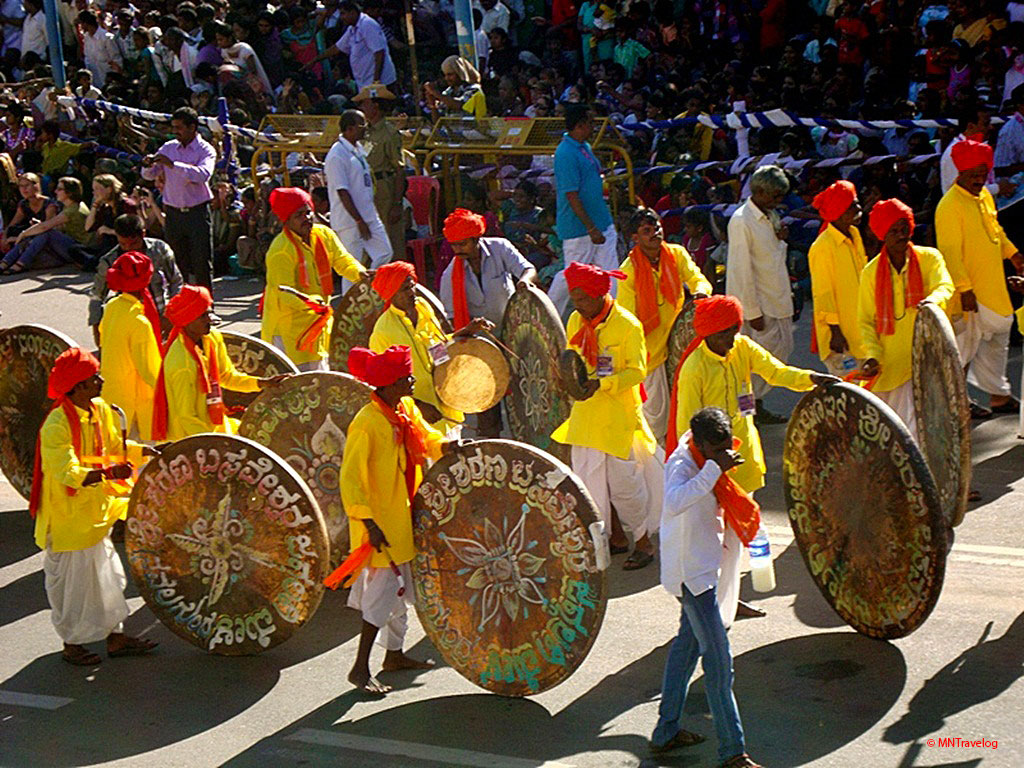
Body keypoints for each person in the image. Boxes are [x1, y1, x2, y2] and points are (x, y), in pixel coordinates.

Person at [667, 296, 835, 622]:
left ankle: (727, 602)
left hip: (745, 462)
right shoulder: (694, 369)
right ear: (708, 334)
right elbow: (688, 429)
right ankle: (713, 608)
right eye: (725, 333)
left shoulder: (742, 349)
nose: (731, 337)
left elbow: (776, 372)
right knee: (718, 546)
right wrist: (710, 469)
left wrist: (811, 380)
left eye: (734, 330)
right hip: (712, 471)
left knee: (736, 542)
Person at [30, 347, 158, 666]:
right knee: (72, 590)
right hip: (68, 522)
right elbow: (64, 470)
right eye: (93, 378)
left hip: (97, 511)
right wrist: (105, 473)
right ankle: (72, 644)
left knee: (110, 580)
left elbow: (115, 448)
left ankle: (115, 638)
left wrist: (147, 451)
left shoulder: (100, 409)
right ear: (77, 387)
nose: (100, 381)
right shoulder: (56, 425)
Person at [651, 406, 762, 768]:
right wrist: (715, 469)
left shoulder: (706, 457)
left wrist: (716, 465)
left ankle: (665, 732)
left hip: (702, 569)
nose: (723, 456)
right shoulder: (681, 465)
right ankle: (733, 752)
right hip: (691, 577)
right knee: (718, 662)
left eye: (725, 449)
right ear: (699, 443)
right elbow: (675, 502)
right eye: (715, 451)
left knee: (685, 649)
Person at [340, 345, 450, 693]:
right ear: (387, 385)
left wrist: (448, 447)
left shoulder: (404, 408)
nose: (412, 379)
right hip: (382, 524)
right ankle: (360, 668)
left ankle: (394, 655)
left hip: (404, 517)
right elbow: (350, 480)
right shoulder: (367, 423)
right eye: (405, 376)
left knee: (403, 592)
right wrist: (369, 523)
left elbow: (428, 440)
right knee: (383, 596)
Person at [551, 262, 663, 571]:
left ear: (601, 294)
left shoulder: (627, 325)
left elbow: (638, 371)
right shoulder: (575, 319)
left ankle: (643, 543)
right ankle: (614, 540)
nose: (578, 306)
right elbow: (573, 360)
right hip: (586, 416)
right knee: (589, 486)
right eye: (574, 300)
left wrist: (605, 382)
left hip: (618, 417)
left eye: (583, 299)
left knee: (625, 486)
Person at [936, 139, 1023, 417]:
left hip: (993, 285)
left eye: (981, 174)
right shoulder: (949, 206)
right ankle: (956, 402)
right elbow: (949, 252)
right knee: (963, 349)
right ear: (959, 173)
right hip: (968, 292)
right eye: (972, 174)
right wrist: (964, 289)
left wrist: (1013, 254)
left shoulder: (984, 195)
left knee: (998, 340)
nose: (977, 179)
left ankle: (999, 396)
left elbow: (995, 231)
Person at [858, 199, 955, 443]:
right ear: (882, 235)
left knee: (917, 430)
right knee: (889, 433)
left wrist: (932, 301)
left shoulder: (929, 258)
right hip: (889, 364)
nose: (902, 235)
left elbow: (945, 285)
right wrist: (872, 355)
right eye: (894, 231)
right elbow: (866, 321)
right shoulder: (870, 273)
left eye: (905, 229)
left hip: (926, 358)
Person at [438, 208, 536, 437]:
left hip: (513, 332)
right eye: (454, 245)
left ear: (476, 239)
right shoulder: (450, 274)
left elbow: (528, 269)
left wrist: (524, 283)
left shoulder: (500, 248)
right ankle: (492, 443)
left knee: (524, 391)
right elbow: (450, 320)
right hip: (480, 344)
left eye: (462, 244)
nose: (457, 250)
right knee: (487, 402)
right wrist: (469, 330)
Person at [618, 208, 711, 442]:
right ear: (635, 238)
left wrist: (700, 292)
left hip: (681, 344)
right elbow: (628, 321)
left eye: (657, 228)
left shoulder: (676, 254)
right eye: (647, 231)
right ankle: (658, 466)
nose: (655, 234)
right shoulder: (628, 272)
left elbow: (697, 279)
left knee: (690, 407)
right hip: (651, 355)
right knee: (656, 420)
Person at [152, 285, 289, 441]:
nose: (210, 320)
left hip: (215, 426)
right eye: (203, 316)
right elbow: (186, 417)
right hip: (189, 438)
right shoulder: (181, 364)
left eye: (209, 313)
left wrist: (262, 383)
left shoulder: (212, 338)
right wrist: (216, 443)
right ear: (188, 321)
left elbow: (227, 377)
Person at [262, 187, 368, 371]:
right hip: (288, 329)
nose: (307, 218)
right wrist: (315, 305)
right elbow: (285, 294)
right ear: (286, 220)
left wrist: (361, 274)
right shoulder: (280, 250)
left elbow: (342, 260)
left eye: (308, 212)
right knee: (297, 385)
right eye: (299, 215)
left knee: (320, 380)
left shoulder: (324, 234)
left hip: (318, 323)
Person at [370, 261, 481, 435]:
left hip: (447, 406)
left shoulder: (423, 307)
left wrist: (465, 332)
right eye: (405, 289)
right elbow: (383, 387)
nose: (412, 293)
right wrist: (418, 406)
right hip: (418, 420)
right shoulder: (383, 332)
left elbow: (438, 346)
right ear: (392, 294)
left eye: (412, 286)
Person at [725, 165, 794, 423]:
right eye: (775, 196)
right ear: (760, 192)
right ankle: (745, 414)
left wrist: (781, 238)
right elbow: (741, 270)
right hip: (759, 307)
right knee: (754, 367)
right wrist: (751, 312)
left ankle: (756, 407)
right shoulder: (742, 221)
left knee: (778, 356)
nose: (779, 202)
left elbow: (772, 257)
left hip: (777, 299)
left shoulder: (769, 215)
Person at [549, 105, 620, 317]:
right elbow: (571, 194)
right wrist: (590, 228)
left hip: (601, 220)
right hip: (580, 228)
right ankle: (547, 313)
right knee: (572, 275)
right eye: (590, 124)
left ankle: (612, 315)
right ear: (580, 125)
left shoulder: (583, 146)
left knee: (610, 272)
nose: (593, 128)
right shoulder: (565, 153)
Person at [141, 107, 216, 298]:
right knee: (175, 262)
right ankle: (179, 304)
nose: (175, 132)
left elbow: (203, 174)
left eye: (179, 127)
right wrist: (148, 165)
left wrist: (173, 165)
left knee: (201, 263)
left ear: (193, 127)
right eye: (173, 127)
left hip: (197, 213)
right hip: (173, 213)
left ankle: (207, 306)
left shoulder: (205, 150)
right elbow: (150, 174)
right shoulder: (168, 148)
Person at [88, 214, 183, 349]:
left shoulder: (160, 249)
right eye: (123, 244)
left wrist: (171, 314)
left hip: (163, 315)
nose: (128, 249)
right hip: (130, 323)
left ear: (143, 234)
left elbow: (176, 281)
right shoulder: (109, 261)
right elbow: (97, 296)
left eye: (134, 244)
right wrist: (97, 330)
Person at [98, 251, 163, 440]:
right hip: (133, 405)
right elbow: (150, 371)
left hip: (110, 395)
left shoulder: (111, 306)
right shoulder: (139, 322)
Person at [324, 109, 393, 286]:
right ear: (350, 129)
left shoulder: (357, 148)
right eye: (362, 125)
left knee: (384, 252)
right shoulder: (337, 155)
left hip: (368, 215)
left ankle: (371, 289)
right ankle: (351, 304)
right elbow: (342, 191)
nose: (366, 128)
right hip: (349, 221)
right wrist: (358, 220)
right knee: (350, 267)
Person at [808, 180, 868, 377]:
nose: (859, 208)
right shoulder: (822, 247)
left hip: (861, 329)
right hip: (841, 337)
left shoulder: (854, 234)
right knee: (848, 390)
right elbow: (823, 294)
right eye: (853, 205)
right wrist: (835, 332)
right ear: (839, 211)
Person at [355, 83, 406, 259]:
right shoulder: (363, 132)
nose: (361, 107)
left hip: (384, 189)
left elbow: (399, 170)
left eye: (364, 103)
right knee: (366, 237)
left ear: (375, 106)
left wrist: (397, 204)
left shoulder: (390, 133)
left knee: (389, 237)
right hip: (365, 188)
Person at [0, 177, 92, 274]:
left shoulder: (72, 210)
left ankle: (19, 263)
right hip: (69, 244)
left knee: (47, 233)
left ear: (69, 192)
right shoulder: (68, 206)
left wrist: (23, 234)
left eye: (59, 189)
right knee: (40, 233)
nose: (55, 191)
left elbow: (46, 227)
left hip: (80, 249)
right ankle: (6, 262)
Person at [304, 0, 397, 90]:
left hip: (379, 81)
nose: (341, 17)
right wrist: (315, 60)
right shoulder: (352, 29)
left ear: (352, 12)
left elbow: (379, 52)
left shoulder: (367, 24)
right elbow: (337, 48)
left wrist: (376, 80)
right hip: (365, 81)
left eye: (343, 13)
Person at [423, 56, 487, 119]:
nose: (447, 78)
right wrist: (432, 104)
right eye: (445, 75)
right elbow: (438, 121)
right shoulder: (449, 91)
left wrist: (436, 93)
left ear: (460, 73)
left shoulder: (474, 89)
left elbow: (460, 105)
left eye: (450, 75)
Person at [77, 10, 123, 89]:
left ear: (85, 23)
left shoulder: (107, 38)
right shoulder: (86, 38)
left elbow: (116, 60)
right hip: (93, 84)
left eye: (81, 23)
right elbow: (87, 58)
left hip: (107, 82)